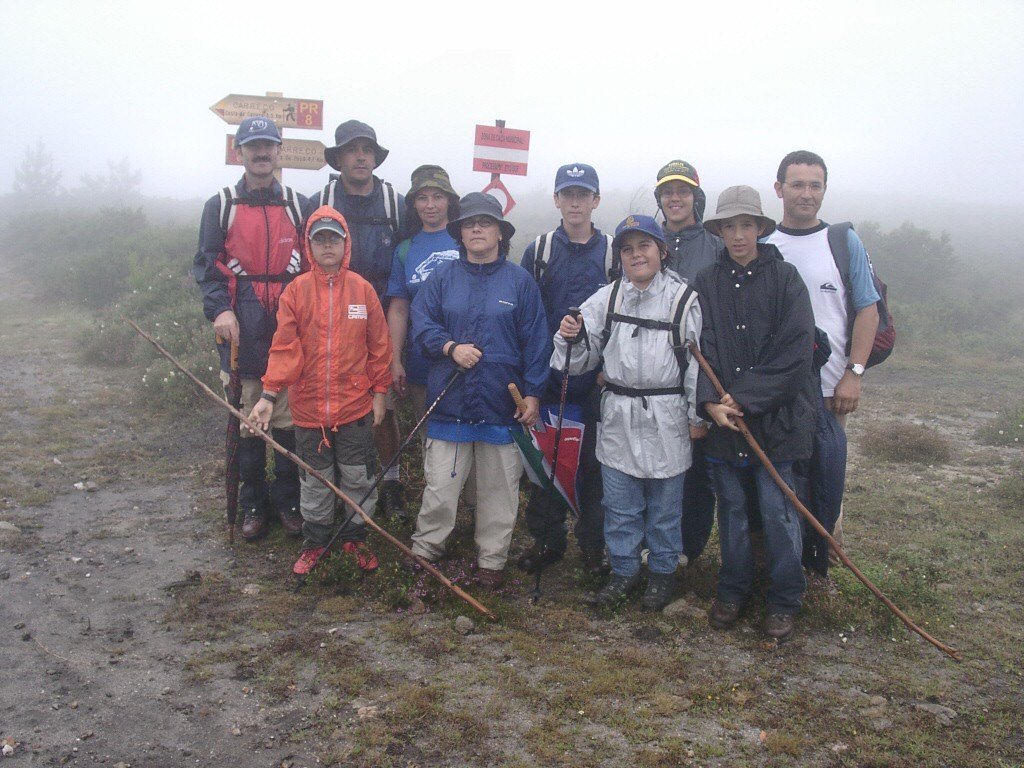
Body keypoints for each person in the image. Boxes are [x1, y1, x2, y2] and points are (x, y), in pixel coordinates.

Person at [554, 215, 705, 612]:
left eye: (644, 246)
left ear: (662, 250)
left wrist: (696, 418)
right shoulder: (607, 297)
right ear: (619, 255)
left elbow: (695, 367)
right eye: (627, 248)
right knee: (620, 505)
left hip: (667, 414)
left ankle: (661, 575)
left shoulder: (685, 299)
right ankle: (623, 572)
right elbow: (578, 360)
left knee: (665, 508)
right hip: (618, 414)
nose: (636, 255)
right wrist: (571, 334)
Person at [409, 193, 550, 590]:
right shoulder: (441, 280)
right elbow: (421, 324)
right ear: (460, 232)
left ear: (500, 233)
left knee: (499, 492)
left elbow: (537, 341)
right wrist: (450, 347)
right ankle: (426, 554)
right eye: (469, 224)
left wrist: (535, 393)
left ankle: (491, 562)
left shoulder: (520, 283)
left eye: (485, 223)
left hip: (502, 408)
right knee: (440, 489)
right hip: (449, 405)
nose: (476, 229)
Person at [695, 185, 817, 642]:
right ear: (720, 231)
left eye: (747, 225)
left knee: (779, 512)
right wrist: (710, 402)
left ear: (761, 228)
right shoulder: (706, 282)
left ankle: (785, 600)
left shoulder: (786, 279)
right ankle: (733, 591)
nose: (739, 235)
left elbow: (795, 352)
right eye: (730, 226)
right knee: (732, 512)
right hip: (726, 425)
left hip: (778, 422)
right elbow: (698, 346)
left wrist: (742, 398)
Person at [248, 207, 393, 575]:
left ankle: (355, 538)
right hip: (309, 411)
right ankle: (316, 543)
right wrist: (267, 396)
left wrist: (379, 394)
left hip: (356, 408)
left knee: (358, 476)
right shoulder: (296, 292)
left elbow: (379, 346)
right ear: (309, 245)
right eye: (320, 238)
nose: (328, 245)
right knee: (315, 481)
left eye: (334, 237)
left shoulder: (363, 290)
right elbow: (283, 347)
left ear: (346, 243)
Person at [192, 116, 307, 541]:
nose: (261, 153)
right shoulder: (220, 205)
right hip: (240, 328)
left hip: (288, 329)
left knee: (290, 423)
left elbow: (312, 264)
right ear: (238, 153)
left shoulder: (297, 204)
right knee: (248, 423)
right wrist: (220, 310)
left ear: (279, 152)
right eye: (252, 146)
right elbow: (207, 266)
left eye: (269, 146)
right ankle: (254, 503)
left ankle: (289, 501)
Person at [765, 151, 881, 558]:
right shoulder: (764, 245)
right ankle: (778, 562)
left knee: (827, 479)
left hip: (831, 389)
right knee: (777, 480)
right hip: (774, 391)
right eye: (797, 184)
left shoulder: (843, 242)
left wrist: (855, 372)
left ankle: (825, 563)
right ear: (778, 189)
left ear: (825, 190)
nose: (806, 194)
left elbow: (868, 308)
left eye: (815, 185)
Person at [308, 120, 407, 518]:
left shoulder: (394, 203)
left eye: (368, 149)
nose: (361, 156)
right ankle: (337, 486)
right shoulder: (320, 200)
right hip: (330, 319)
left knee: (385, 406)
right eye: (352, 149)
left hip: (384, 315)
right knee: (333, 403)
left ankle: (392, 482)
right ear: (339, 158)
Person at [518, 163, 611, 576]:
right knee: (545, 462)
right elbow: (527, 318)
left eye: (583, 194)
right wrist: (532, 377)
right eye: (568, 194)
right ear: (556, 199)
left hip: (596, 382)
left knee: (594, 465)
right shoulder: (538, 251)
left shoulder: (613, 252)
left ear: (596, 200)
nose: (575, 202)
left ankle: (593, 546)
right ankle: (546, 539)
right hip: (548, 376)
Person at [655, 160, 722, 566]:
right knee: (655, 460)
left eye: (682, 191)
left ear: (696, 196)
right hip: (649, 373)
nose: (675, 198)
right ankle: (654, 543)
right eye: (667, 192)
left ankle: (689, 549)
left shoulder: (714, 246)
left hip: (700, 373)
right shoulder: (644, 240)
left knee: (697, 469)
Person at [385, 165, 461, 416]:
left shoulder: (468, 239)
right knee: (428, 440)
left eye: (438, 196)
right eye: (422, 197)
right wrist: (396, 361)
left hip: (466, 361)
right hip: (421, 363)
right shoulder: (406, 248)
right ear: (413, 204)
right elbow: (398, 309)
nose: (430, 205)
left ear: (449, 200)